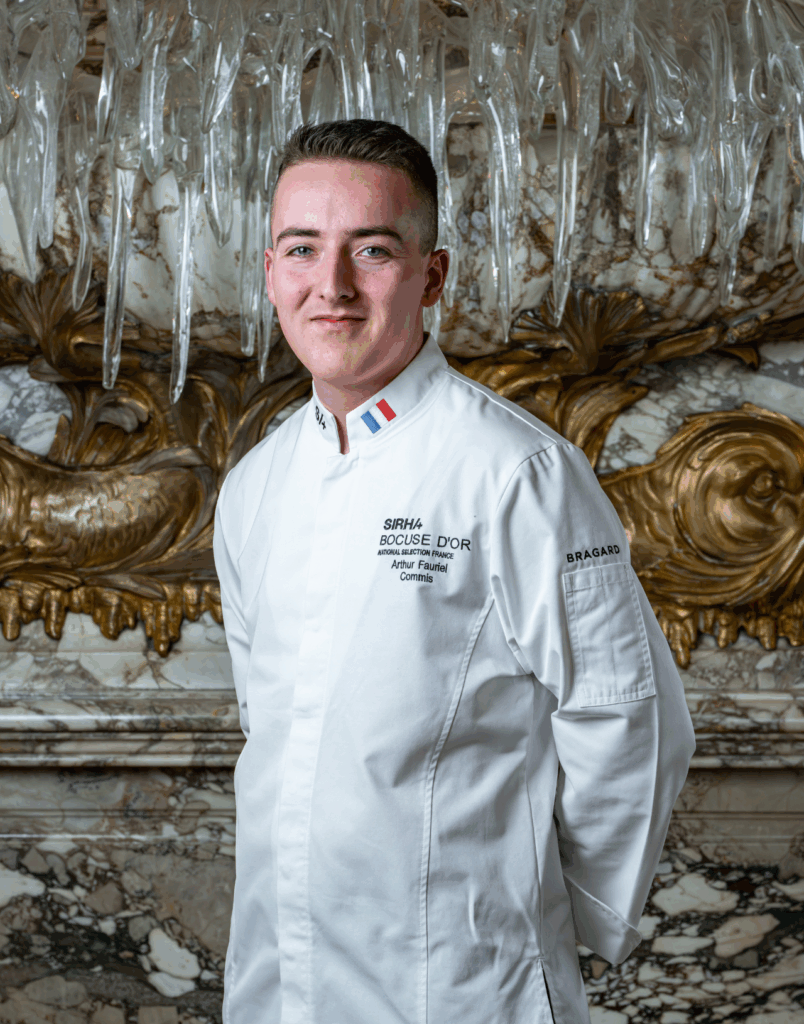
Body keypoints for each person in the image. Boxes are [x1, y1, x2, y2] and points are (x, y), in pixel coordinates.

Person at [212, 118, 695, 1024]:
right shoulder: (253, 485)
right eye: (303, 249)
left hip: (468, 981)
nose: (332, 286)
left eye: (373, 250)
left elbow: (629, 717)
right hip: (280, 979)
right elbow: (270, 726)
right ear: (271, 271)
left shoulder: (518, 472)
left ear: (431, 276)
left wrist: (555, 912)